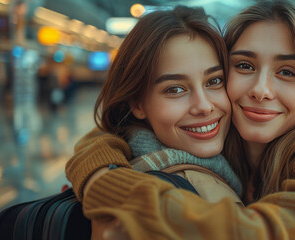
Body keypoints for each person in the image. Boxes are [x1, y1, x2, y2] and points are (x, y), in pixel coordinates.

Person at [67, 1, 295, 239]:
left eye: (287, 72)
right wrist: (99, 170)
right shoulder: (222, 143)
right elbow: (112, 134)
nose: (260, 90)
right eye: (244, 65)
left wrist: (117, 192)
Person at [68, 6, 245, 239]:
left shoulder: (122, 158)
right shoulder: (193, 203)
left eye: (214, 81)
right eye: (175, 89)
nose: (204, 106)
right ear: (138, 105)